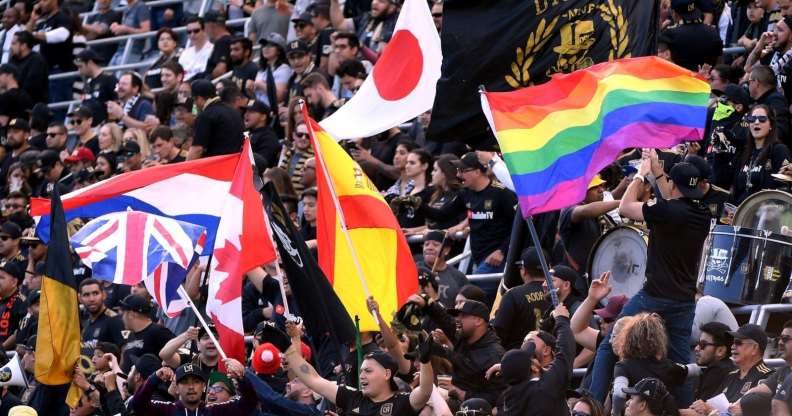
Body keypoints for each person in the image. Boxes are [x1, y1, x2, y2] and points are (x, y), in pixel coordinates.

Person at [589, 158, 711, 402]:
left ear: (673, 184)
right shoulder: (702, 214)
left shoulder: (667, 211)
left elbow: (624, 208)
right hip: (683, 301)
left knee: (608, 347)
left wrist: (640, 175)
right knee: (681, 364)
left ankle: (590, 404)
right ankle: (686, 409)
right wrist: (656, 169)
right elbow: (672, 197)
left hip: (653, 297)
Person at [283, 320, 435, 416]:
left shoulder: (401, 402)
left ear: (387, 374)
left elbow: (425, 391)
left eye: (368, 371)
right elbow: (313, 379)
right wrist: (289, 348)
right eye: (361, 371)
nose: (361, 376)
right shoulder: (353, 397)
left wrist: (425, 360)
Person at [420, 298, 505, 406]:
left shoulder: (494, 354)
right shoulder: (465, 336)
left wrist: (463, 394)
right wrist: (428, 304)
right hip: (454, 400)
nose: (457, 319)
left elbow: (499, 396)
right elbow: (445, 320)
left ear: (478, 321)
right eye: (457, 315)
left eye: (463, 316)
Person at [500, 304, 574, 416]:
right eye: (531, 360)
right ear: (534, 368)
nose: (524, 345)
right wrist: (562, 319)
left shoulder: (508, 400)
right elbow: (565, 351)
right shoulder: (546, 388)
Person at [451, 152, 517, 274]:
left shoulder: (502, 192)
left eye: (462, 170)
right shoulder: (465, 193)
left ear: (477, 172)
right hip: (478, 256)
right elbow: (443, 214)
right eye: (458, 170)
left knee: (468, 290)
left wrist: (502, 250)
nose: (458, 175)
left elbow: (518, 224)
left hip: (496, 258)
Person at [611, 313, 689, 416]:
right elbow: (695, 370)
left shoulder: (623, 366)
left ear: (629, 338)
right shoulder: (669, 366)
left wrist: (616, 413)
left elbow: (619, 394)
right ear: (659, 340)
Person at [130, 360, 259, 414]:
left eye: (196, 382)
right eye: (185, 382)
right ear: (177, 387)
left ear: (204, 386)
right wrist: (155, 378)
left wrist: (241, 378)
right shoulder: (167, 410)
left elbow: (249, 403)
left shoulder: (215, 411)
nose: (191, 387)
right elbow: (137, 404)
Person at [731, 104, 791, 204]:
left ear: (771, 125)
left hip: (766, 214)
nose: (756, 122)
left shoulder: (779, 150)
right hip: (742, 214)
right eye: (752, 119)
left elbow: (785, 188)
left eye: (762, 119)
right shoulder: (744, 153)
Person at [559, 174, 619, 273]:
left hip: (594, 273)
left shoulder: (599, 214)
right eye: (595, 187)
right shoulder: (569, 209)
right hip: (575, 278)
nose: (601, 190)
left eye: (601, 186)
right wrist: (620, 202)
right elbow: (583, 211)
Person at [492, 247, 550, 350]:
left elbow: (498, 333)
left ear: (524, 271)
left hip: (518, 359)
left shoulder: (513, 295)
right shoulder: (559, 294)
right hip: (551, 358)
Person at [187, 79, 244, 159]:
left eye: (194, 100)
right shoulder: (233, 111)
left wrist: (184, 169)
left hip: (217, 166)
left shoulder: (205, 116)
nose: (194, 104)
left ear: (199, 98)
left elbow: (197, 149)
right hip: (237, 164)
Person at [661, 0, 723, 72]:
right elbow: (719, 60)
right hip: (705, 80)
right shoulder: (712, 32)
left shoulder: (670, 34)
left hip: (679, 80)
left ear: (675, 14)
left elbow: (662, 60)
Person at [118, 294, 174, 372]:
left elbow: (178, 354)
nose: (122, 318)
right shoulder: (131, 335)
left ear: (132, 314)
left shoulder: (158, 332)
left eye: (124, 313)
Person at [417, 230, 468, 307]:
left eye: (435, 245)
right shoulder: (413, 270)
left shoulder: (458, 277)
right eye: (426, 244)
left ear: (446, 250)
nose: (429, 248)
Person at [329, 0, 398, 53]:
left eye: (381, 1)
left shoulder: (396, 26)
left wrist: (362, 47)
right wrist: (334, 1)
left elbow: (381, 59)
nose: (375, 3)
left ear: (392, 7)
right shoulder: (366, 18)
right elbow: (340, 24)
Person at [691, 322, 736, 402]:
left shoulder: (717, 371)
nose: (696, 348)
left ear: (720, 351)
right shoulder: (727, 367)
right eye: (698, 343)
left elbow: (700, 411)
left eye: (702, 344)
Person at [79, 278, 125, 348]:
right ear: (80, 299)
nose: (91, 299)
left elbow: (125, 350)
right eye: (86, 295)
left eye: (95, 293)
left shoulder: (115, 320)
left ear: (104, 295)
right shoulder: (86, 325)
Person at [747, 65, 791, 140]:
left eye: (749, 82)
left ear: (756, 82)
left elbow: (780, 129)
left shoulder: (775, 100)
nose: (748, 85)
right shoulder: (760, 100)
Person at [75, 49, 117, 126]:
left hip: (105, 126)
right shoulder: (87, 82)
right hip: (89, 126)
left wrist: (110, 122)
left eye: (81, 66)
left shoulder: (109, 79)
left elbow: (118, 101)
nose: (79, 71)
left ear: (90, 63)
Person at [253, 32, 292, 107]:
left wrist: (260, 85)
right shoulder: (262, 69)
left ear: (279, 50)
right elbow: (256, 96)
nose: (266, 48)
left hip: (272, 112)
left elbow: (278, 96)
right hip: (260, 109)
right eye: (264, 45)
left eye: (271, 45)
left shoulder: (284, 69)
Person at [8, 31, 47, 104]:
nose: (11, 47)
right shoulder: (13, 60)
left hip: (32, 105)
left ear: (23, 46)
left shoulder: (37, 60)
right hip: (14, 102)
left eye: (14, 44)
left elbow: (31, 87)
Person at [107, 0, 150, 65]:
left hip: (133, 52)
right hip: (120, 51)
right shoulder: (127, 8)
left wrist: (126, 29)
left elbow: (146, 31)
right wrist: (117, 28)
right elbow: (125, 30)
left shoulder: (141, 7)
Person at [277, 121, 314, 195]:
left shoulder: (314, 160)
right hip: (285, 198)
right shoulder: (288, 154)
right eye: (300, 135)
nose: (303, 138)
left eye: (307, 136)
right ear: (294, 135)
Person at [81, 0, 120, 64]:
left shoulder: (114, 15)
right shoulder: (94, 17)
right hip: (92, 56)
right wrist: (94, 29)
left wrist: (83, 26)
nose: (103, 1)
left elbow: (101, 30)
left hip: (106, 56)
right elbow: (88, 37)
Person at [245, 100, 280, 168]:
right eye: (246, 111)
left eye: (251, 112)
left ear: (263, 117)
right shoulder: (247, 132)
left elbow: (262, 163)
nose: (246, 114)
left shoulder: (268, 137)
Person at [204, 11, 233, 80]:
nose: (205, 30)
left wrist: (207, 80)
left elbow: (220, 70)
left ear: (211, 25)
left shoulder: (223, 42)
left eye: (204, 26)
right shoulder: (229, 39)